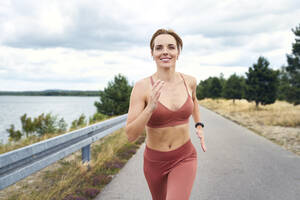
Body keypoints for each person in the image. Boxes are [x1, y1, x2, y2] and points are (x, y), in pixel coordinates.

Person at [125, 28, 207, 200]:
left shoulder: (189, 81)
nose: (165, 52)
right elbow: (131, 135)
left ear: (178, 52)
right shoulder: (142, 87)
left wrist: (198, 125)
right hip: (154, 162)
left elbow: (194, 100)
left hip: (184, 157)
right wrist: (150, 108)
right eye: (159, 47)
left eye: (171, 47)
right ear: (152, 53)